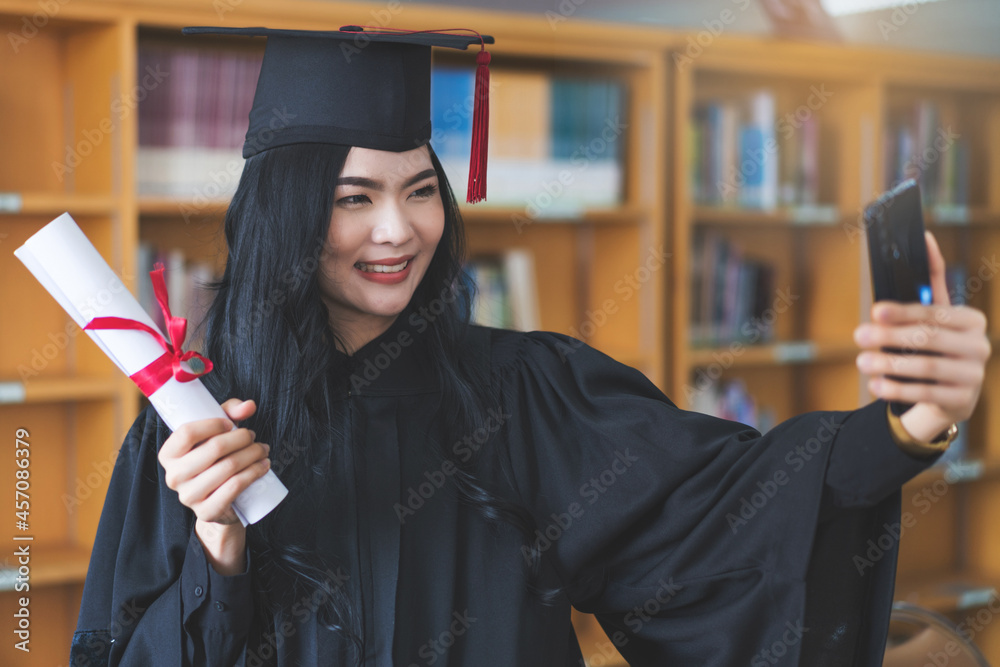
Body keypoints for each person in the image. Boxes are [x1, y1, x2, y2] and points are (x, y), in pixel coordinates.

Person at [69, 25, 991, 667]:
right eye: (353, 198)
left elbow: (727, 509)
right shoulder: (197, 426)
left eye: (421, 189)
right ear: (288, 214)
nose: (398, 230)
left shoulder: (522, 392)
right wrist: (218, 539)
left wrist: (912, 422)